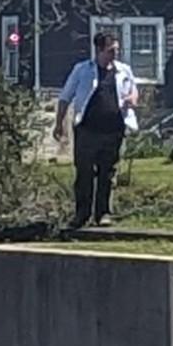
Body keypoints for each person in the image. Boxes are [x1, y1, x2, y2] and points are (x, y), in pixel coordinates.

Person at [56, 34, 139, 228]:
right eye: (111, 50)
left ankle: (103, 214)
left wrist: (132, 98)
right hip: (88, 130)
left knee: (108, 173)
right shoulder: (82, 70)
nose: (115, 54)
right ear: (99, 50)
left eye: (117, 50)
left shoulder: (123, 70)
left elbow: (133, 89)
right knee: (84, 173)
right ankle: (82, 215)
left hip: (114, 129)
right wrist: (59, 124)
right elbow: (65, 97)